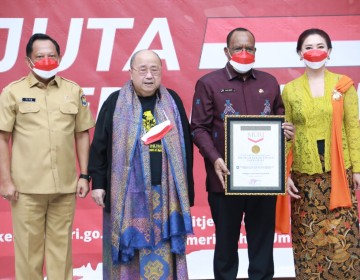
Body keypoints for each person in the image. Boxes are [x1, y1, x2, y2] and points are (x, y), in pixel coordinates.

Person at [190, 27, 294, 280]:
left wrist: (285, 129)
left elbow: (279, 121)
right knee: (226, 248)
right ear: (227, 51)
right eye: (238, 48)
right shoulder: (208, 84)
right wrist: (215, 159)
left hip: (264, 182)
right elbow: (198, 128)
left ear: (256, 51)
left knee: (262, 246)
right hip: (224, 181)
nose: (244, 53)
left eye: (250, 48)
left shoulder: (269, 82)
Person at [88, 49, 194, 279]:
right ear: (131, 72)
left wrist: (188, 193)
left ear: (161, 72)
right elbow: (99, 146)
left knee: (164, 255)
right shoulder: (115, 102)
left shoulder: (171, 102)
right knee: (129, 258)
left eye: (154, 70)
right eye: (143, 70)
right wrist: (97, 182)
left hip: (165, 196)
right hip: (126, 196)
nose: (149, 76)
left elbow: (186, 147)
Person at [0, 33, 95, 279]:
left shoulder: (73, 91)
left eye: (51, 55)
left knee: (61, 254)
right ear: (28, 61)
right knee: (29, 255)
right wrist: (5, 181)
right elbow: (2, 138)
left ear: (60, 57)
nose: (46, 60)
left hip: (64, 188)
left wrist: (84, 175)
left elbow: (82, 134)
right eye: (40, 56)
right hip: (26, 190)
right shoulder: (12, 92)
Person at [283, 28, 360, 279]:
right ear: (299, 54)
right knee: (308, 237)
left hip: (339, 171)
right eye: (307, 47)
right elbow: (286, 134)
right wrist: (284, 175)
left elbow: (353, 126)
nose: (314, 51)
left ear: (329, 51)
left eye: (319, 46)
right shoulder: (290, 90)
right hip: (304, 176)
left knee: (343, 235)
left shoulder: (343, 84)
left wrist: (357, 168)